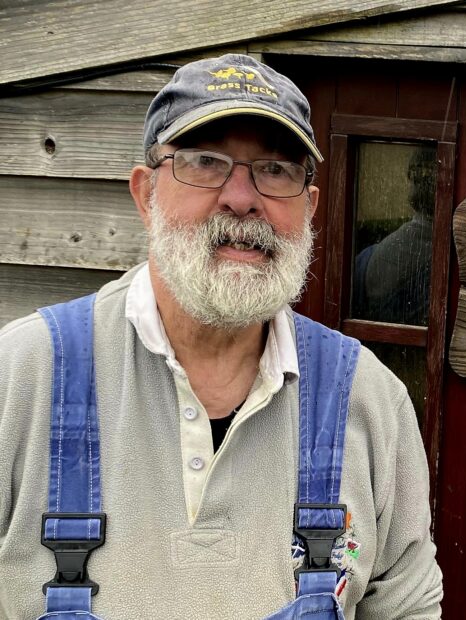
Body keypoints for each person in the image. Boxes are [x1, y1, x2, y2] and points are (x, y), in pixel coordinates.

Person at [0, 54, 442, 619]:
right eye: (205, 162)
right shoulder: (24, 375)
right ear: (145, 194)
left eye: (275, 169)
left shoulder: (369, 400)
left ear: (308, 209)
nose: (241, 198)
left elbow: (407, 606)